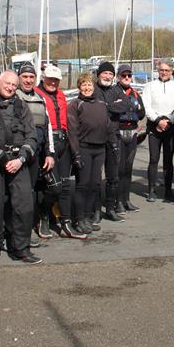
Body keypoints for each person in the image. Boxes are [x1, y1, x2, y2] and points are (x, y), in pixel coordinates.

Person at [0, 70, 42, 264]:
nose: (11, 87)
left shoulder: (21, 106)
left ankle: (21, 248)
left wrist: (20, 159)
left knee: (24, 206)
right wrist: (3, 160)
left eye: (14, 84)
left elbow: (31, 135)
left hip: (18, 161)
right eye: (7, 83)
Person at [35, 65, 85, 238]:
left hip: (63, 141)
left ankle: (66, 222)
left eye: (56, 80)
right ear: (43, 78)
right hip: (47, 143)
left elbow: (70, 121)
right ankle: (43, 216)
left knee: (64, 185)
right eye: (50, 79)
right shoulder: (35, 94)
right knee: (53, 187)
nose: (53, 83)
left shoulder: (61, 95)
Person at [15, 64, 56, 242]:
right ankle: (19, 231)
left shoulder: (40, 97)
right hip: (18, 153)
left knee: (34, 191)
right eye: (25, 76)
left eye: (31, 77)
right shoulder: (13, 97)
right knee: (20, 194)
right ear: (18, 78)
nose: (28, 80)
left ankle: (32, 224)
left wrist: (49, 152)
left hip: (37, 152)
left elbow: (47, 127)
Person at [67, 73, 110, 235]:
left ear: (94, 86)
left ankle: (87, 217)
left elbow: (106, 125)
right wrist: (76, 153)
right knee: (83, 185)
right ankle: (79, 220)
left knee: (95, 185)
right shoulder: (75, 104)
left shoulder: (100, 103)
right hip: (83, 148)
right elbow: (72, 131)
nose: (87, 88)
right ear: (79, 87)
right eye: (83, 84)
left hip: (99, 149)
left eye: (89, 84)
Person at [141, 61, 174, 202]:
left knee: (168, 161)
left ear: (171, 72)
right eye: (161, 70)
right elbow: (146, 105)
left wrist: (169, 121)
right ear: (158, 71)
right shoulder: (150, 86)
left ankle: (168, 191)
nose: (164, 72)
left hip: (171, 126)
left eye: (167, 70)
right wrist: (157, 120)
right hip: (154, 125)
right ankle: (151, 190)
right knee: (153, 159)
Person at [111, 64, 146, 212]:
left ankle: (126, 200)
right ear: (118, 77)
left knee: (128, 169)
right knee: (119, 170)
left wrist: (137, 121)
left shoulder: (136, 94)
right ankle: (117, 201)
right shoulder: (113, 92)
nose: (126, 78)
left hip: (132, 133)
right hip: (118, 133)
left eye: (129, 76)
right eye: (123, 75)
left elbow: (142, 112)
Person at [93, 61, 123, 222]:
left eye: (111, 74)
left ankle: (110, 208)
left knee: (113, 177)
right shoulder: (92, 89)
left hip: (113, 138)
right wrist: (111, 106)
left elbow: (126, 106)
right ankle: (96, 210)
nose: (108, 76)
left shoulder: (117, 90)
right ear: (99, 74)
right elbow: (92, 108)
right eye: (105, 73)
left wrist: (106, 105)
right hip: (95, 139)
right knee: (96, 178)